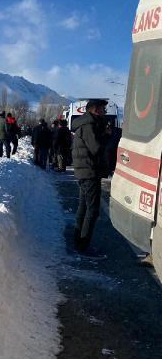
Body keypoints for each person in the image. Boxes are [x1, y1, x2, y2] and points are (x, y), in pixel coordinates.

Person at [72, 99, 110, 254]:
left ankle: (78, 241)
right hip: (89, 172)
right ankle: (83, 245)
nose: (104, 112)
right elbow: (96, 149)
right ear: (94, 110)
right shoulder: (89, 126)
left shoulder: (85, 124)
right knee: (92, 210)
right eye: (102, 109)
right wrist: (107, 136)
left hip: (85, 171)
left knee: (84, 207)